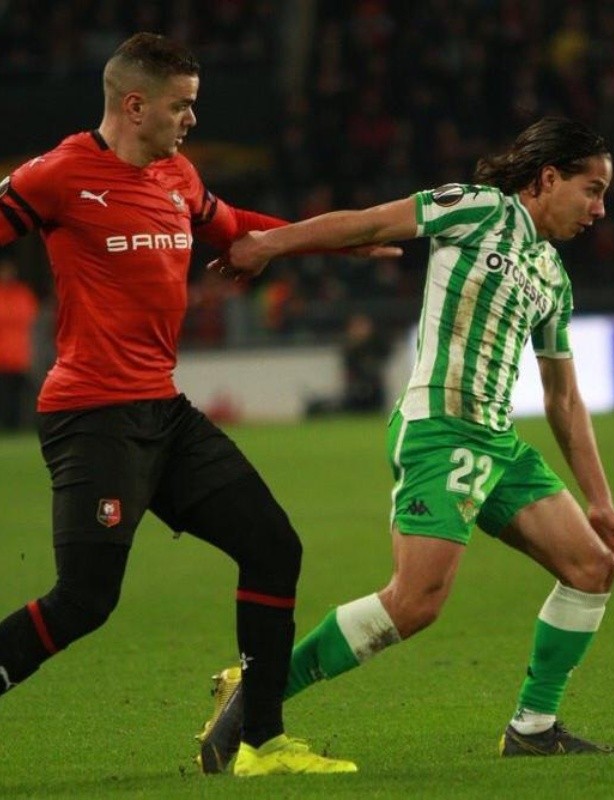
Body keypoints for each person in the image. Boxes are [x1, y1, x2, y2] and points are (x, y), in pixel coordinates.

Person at [0, 32, 403, 778]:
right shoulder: (57, 176)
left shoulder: (177, 177)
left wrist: (323, 242)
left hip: (162, 410)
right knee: (84, 601)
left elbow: (233, 230)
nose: (190, 120)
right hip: (92, 416)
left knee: (273, 546)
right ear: (134, 104)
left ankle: (261, 743)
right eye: (181, 106)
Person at [196, 116, 614, 770]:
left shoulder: (552, 276)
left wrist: (599, 500)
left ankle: (533, 727)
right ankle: (259, 692)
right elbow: (372, 223)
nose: (600, 209)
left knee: (593, 566)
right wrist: (269, 244)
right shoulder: (478, 208)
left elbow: (564, 398)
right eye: (592, 189)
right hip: (440, 429)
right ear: (548, 178)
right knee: (415, 602)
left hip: (496, 442)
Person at [0, 257, 39, 431]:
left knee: (17, 396)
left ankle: (16, 426)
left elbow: (32, 319)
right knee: (5, 394)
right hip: (3, 356)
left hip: (20, 356)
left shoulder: (23, 294)